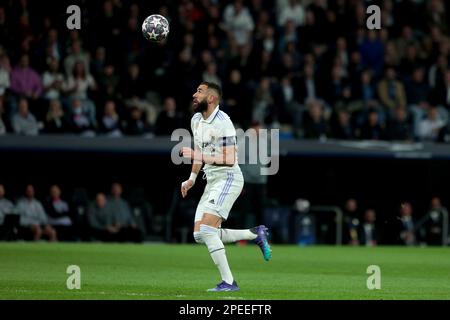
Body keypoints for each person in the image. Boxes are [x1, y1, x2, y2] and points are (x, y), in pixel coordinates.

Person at [180, 81, 271, 292]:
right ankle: (254, 234)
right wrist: (192, 178)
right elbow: (199, 150)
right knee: (199, 234)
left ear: (211, 98)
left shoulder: (223, 123)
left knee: (207, 230)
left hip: (229, 178)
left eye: (199, 91)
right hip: (212, 180)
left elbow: (230, 159)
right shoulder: (196, 119)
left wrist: (197, 155)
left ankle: (229, 282)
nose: (194, 94)